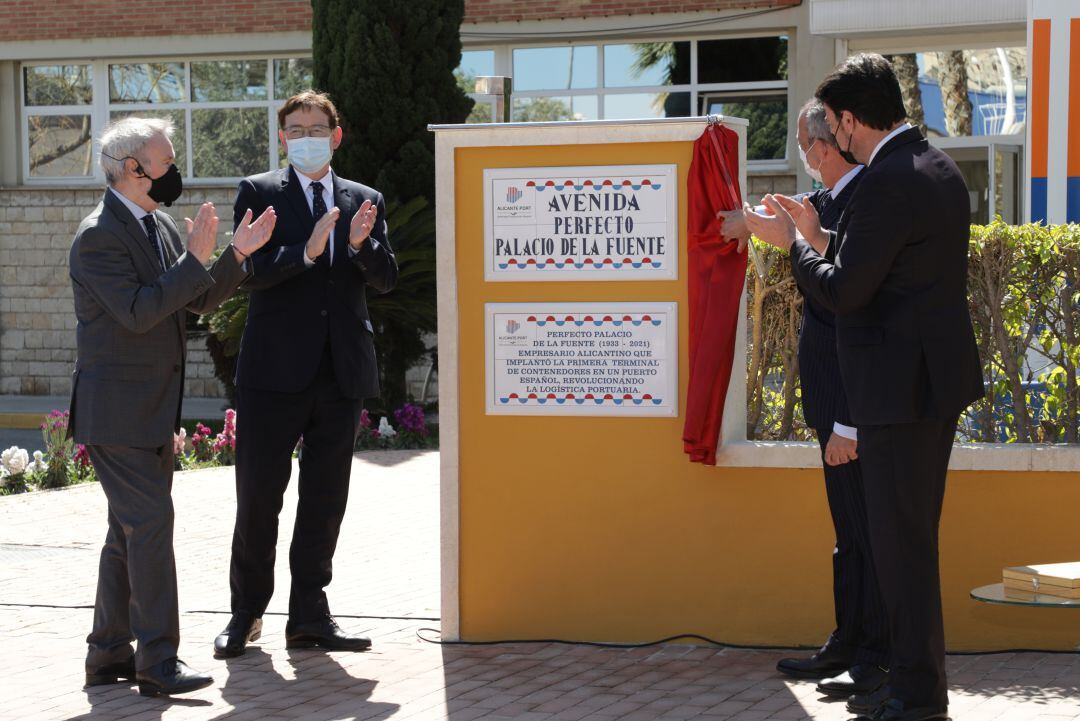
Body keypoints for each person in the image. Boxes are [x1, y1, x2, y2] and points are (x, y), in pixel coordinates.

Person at [745, 54, 983, 721]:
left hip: (894, 393)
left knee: (899, 551)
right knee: (908, 545)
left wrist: (794, 241)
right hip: (927, 388)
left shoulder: (885, 182)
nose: (835, 139)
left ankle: (915, 698)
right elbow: (881, 266)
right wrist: (820, 233)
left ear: (851, 120)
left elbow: (845, 289)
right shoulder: (935, 169)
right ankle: (916, 690)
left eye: (835, 126)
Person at [70, 116, 276, 696]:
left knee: (128, 533)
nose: (172, 169)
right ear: (133, 169)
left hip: (153, 409)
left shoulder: (156, 224)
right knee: (152, 525)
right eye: (164, 160)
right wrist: (193, 262)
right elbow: (138, 312)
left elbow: (195, 302)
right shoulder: (97, 236)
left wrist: (234, 254)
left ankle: (107, 652)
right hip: (117, 413)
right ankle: (157, 660)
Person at [214, 91, 398, 658]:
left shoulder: (365, 200)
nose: (307, 136)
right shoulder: (260, 192)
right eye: (296, 128)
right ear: (282, 137)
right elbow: (250, 272)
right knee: (259, 497)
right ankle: (246, 613)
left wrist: (361, 246)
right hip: (272, 374)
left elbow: (387, 279)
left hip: (339, 373)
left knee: (325, 498)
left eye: (317, 128)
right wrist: (308, 251)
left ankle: (310, 615)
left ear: (336, 136)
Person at [720, 100, 889, 699]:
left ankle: (878, 658)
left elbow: (854, 307)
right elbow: (781, 221)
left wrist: (850, 421)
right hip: (832, 402)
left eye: (802, 143)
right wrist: (741, 222)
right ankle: (850, 642)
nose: (803, 155)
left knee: (871, 533)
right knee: (849, 533)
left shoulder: (865, 198)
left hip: (855, 406)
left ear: (823, 145)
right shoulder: (829, 200)